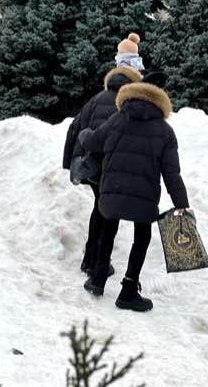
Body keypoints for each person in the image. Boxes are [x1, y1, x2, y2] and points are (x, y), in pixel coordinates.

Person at [78, 82, 189, 312]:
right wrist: (181, 204)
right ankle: (128, 290)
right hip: (144, 198)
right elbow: (172, 174)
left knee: (109, 228)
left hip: (112, 192)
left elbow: (94, 141)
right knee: (142, 237)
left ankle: (98, 278)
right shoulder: (165, 131)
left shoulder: (117, 119)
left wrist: (84, 133)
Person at [63, 66, 143, 278]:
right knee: (106, 213)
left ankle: (90, 259)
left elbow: (76, 126)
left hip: (90, 164)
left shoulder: (97, 98)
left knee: (99, 210)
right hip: (108, 166)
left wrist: (71, 161)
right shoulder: (125, 104)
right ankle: (96, 262)